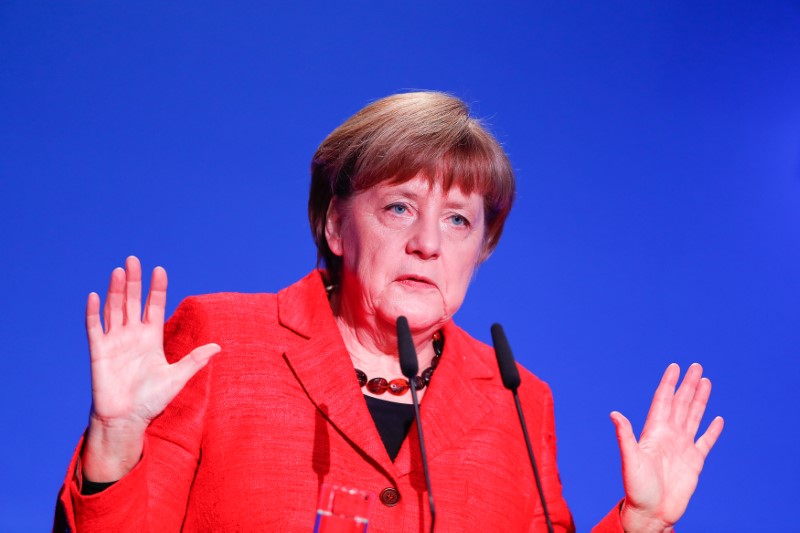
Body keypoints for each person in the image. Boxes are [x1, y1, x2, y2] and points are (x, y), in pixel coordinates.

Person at [54, 91, 723, 532]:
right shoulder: (220, 342)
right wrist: (114, 439)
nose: (428, 242)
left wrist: (641, 520)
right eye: (399, 207)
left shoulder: (518, 402)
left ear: (479, 249)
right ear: (335, 225)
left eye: (458, 219)